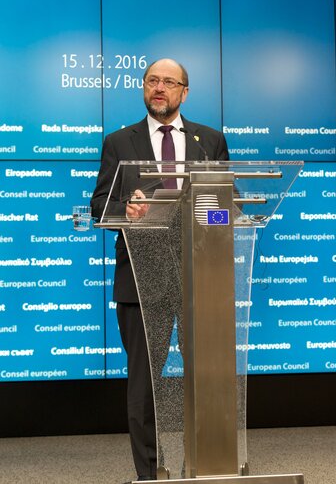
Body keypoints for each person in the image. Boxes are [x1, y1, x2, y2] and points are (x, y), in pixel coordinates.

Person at [91, 58, 229, 481]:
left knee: (205, 383)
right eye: (153, 80)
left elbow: (227, 206)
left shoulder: (210, 140)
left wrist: (216, 216)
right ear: (143, 88)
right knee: (145, 387)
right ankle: (150, 475)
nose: (160, 88)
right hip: (139, 281)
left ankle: (203, 466)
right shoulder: (119, 141)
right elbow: (100, 206)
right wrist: (126, 210)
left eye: (170, 82)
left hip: (198, 279)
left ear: (184, 92)